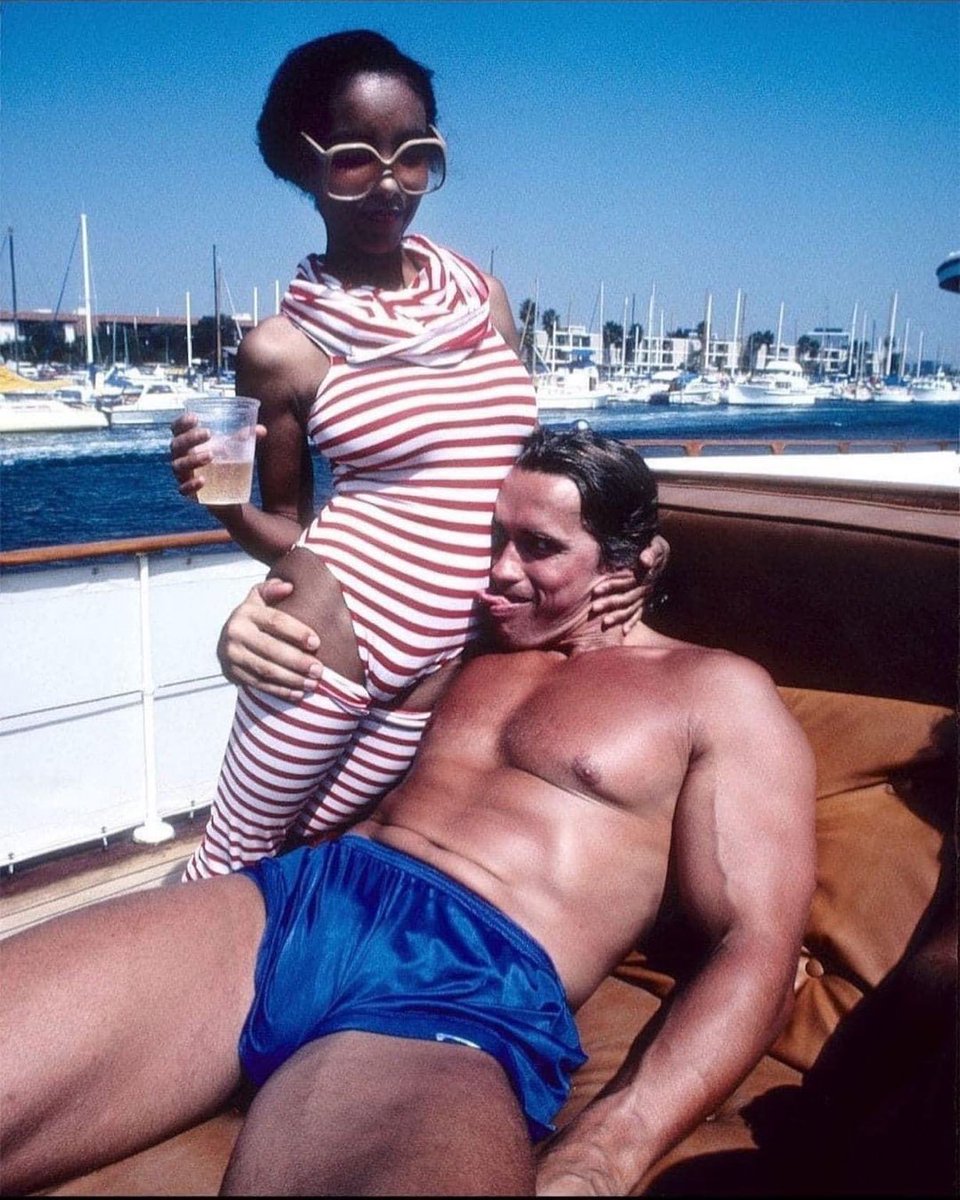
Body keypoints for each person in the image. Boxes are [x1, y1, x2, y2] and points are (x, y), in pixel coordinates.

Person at [1, 430, 815, 1197]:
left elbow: (757, 943)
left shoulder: (714, 692)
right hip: (296, 900)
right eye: (494, 539)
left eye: (539, 548)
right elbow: (323, 615)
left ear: (636, 561)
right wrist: (244, 633)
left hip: (465, 980)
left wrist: (606, 1151)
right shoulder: (467, 641)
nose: (498, 572)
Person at [168, 30, 658, 878]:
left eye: (415, 154)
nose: (390, 183)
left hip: (459, 646)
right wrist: (219, 501)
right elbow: (287, 526)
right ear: (305, 163)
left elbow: (531, 470)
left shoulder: (483, 298)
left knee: (321, 854)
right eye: (356, 157)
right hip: (331, 634)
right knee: (234, 860)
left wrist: (631, 556)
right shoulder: (283, 348)